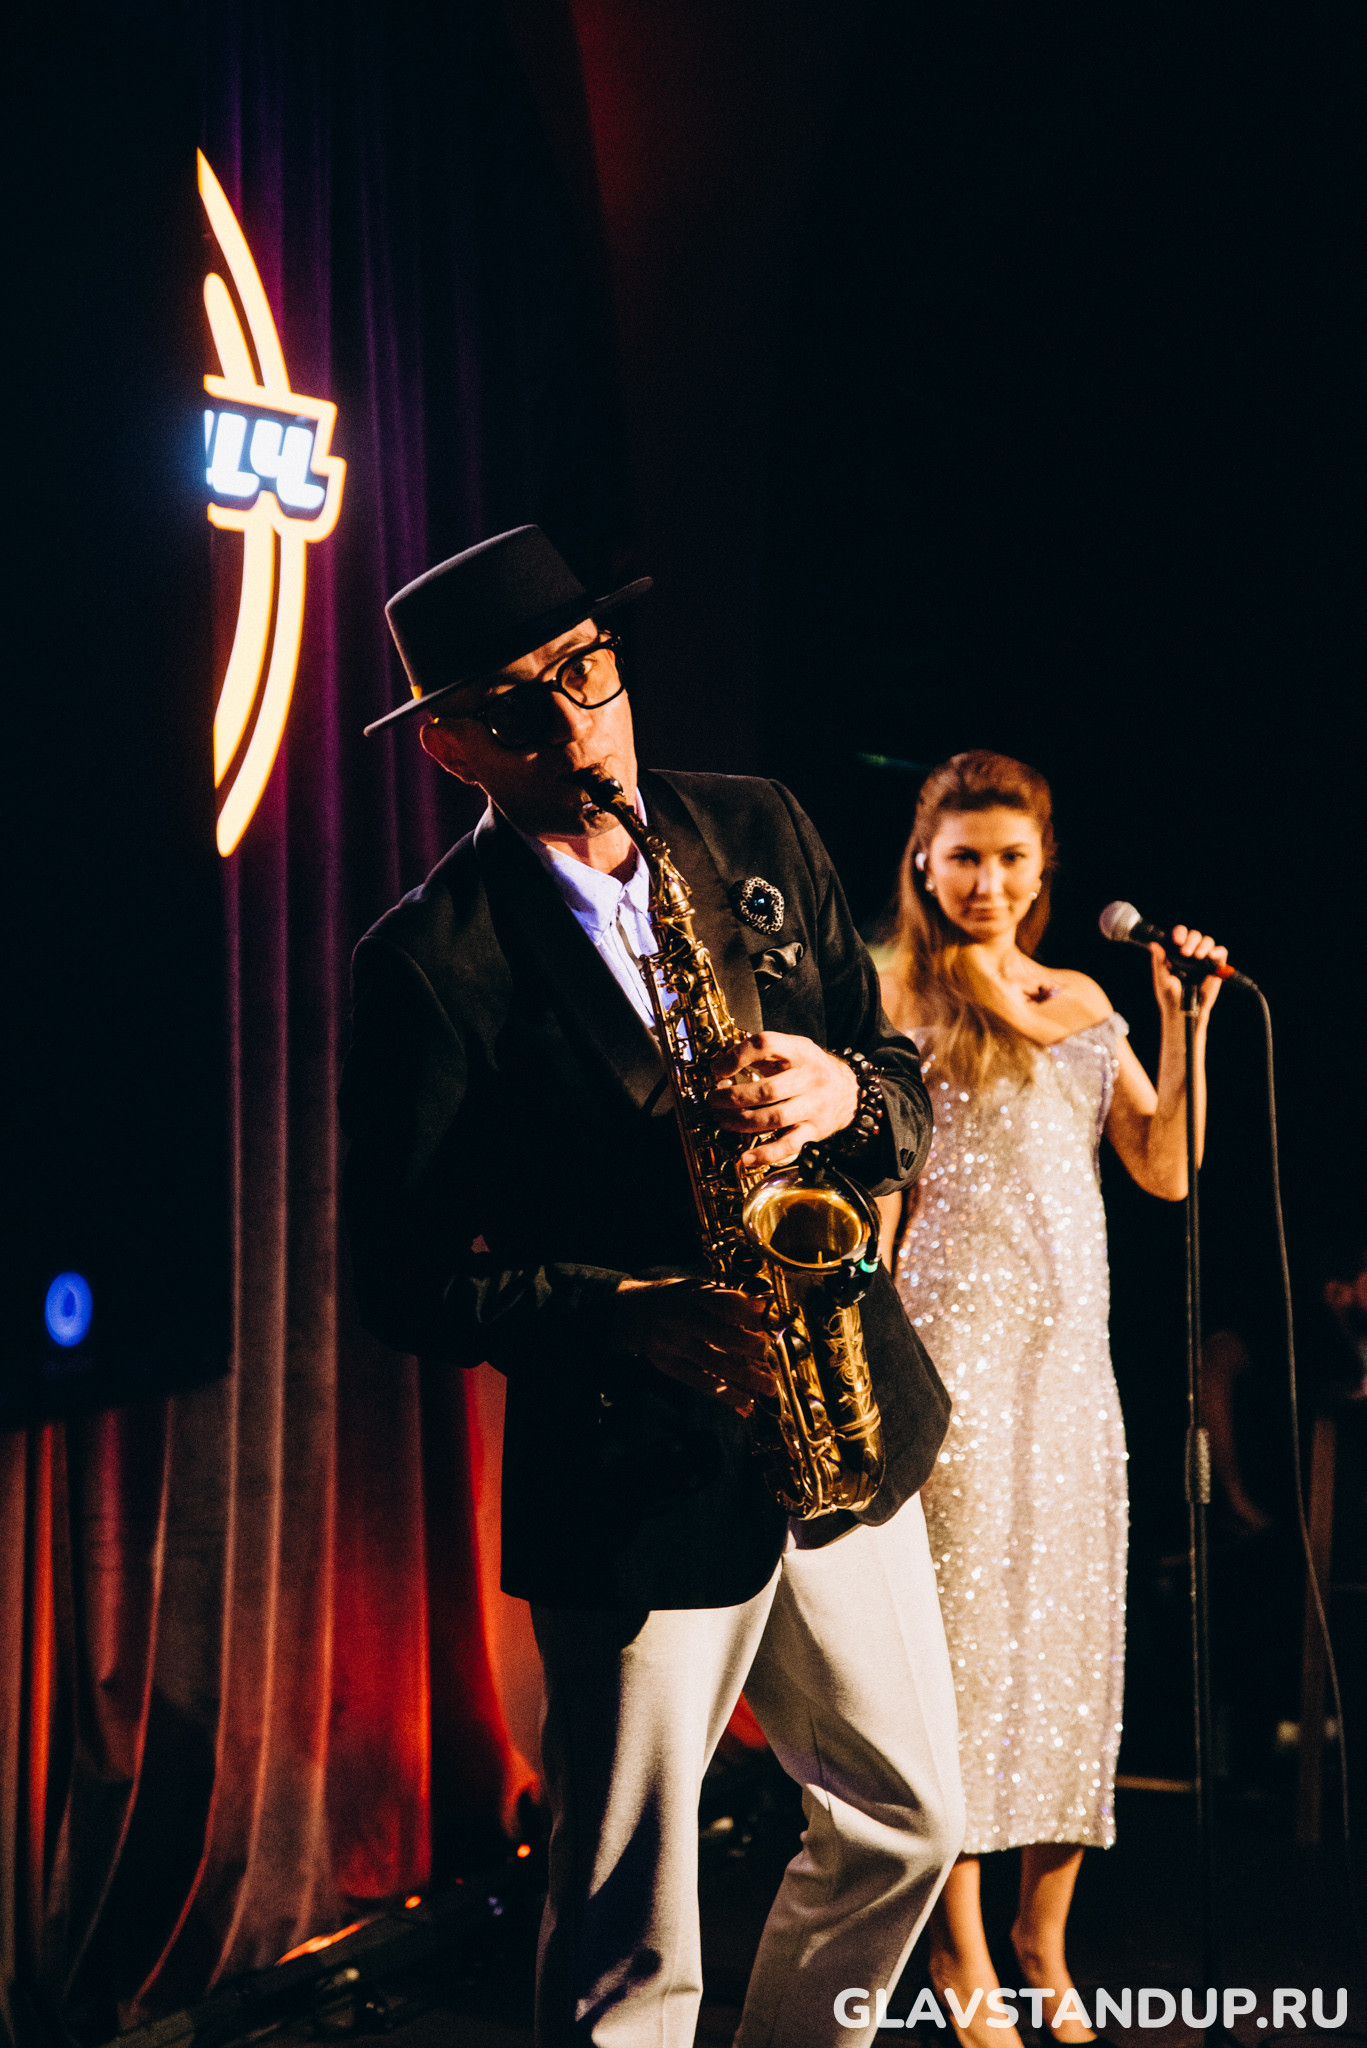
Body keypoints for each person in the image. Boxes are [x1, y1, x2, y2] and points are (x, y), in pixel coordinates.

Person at [339, 525, 964, 2048]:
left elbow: (893, 1071)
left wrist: (846, 1094)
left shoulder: (756, 825)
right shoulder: (430, 959)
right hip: (631, 1467)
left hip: (835, 1405)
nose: (575, 731)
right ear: (447, 747)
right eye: (516, 711)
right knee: (630, 1936)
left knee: (912, 1823)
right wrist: (621, 1310)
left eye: (585, 675)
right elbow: (402, 1284)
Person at [875, 751, 1226, 2048]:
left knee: (1070, 1654)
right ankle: (960, 1953)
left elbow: (1165, 1166)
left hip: (1070, 1372)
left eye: (1011, 858)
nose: (989, 880)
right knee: (962, 1661)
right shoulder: (894, 994)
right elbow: (881, 1200)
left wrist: (1180, 1021)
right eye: (965, 855)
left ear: (1042, 869)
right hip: (949, 1358)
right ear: (925, 862)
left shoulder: (1079, 995)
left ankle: (1044, 1940)